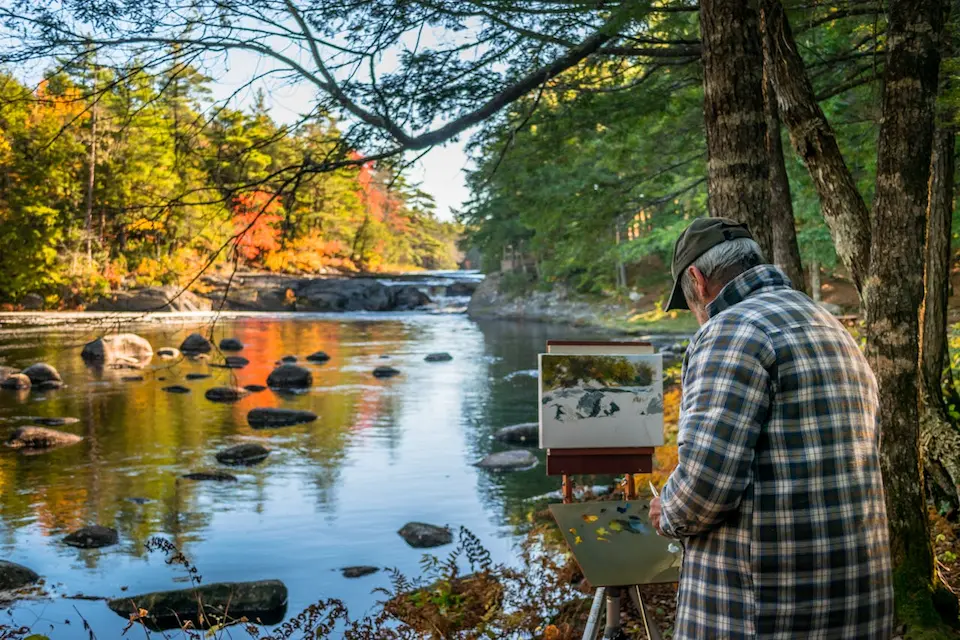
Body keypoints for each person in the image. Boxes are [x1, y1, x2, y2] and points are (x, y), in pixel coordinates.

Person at [647, 217, 893, 639]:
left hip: (763, 611)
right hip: (856, 599)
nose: (696, 316)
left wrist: (666, 510)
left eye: (689, 304)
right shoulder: (828, 323)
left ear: (697, 280)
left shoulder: (731, 331)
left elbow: (705, 487)